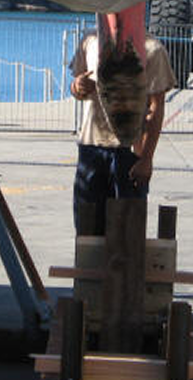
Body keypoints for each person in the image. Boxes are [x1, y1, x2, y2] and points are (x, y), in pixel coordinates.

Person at [70, 29, 176, 234]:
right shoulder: (90, 41)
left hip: (129, 152)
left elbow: (157, 106)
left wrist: (146, 158)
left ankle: (126, 265)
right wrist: (78, 85)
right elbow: (76, 87)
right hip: (92, 147)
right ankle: (90, 266)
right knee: (86, 229)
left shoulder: (152, 49)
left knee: (128, 231)